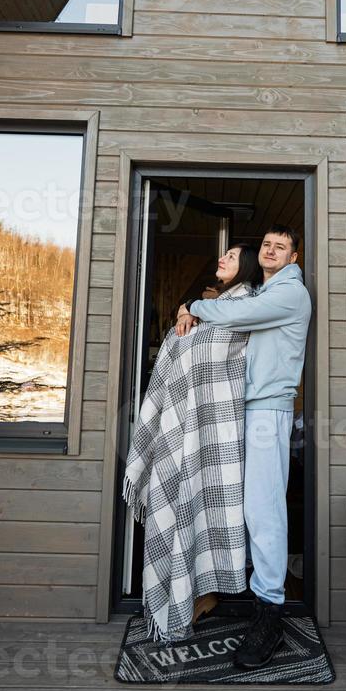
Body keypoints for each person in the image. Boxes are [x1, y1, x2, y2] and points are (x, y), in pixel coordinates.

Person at [177, 224, 311, 669]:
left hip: (267, 413)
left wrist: (197, 304)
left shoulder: (290, 294)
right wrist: (189, 306)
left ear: (293, 258)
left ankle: (270, 614)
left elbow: (232, 317)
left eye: (281, 247)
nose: (271, 251)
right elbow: (230, 310)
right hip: (243, 409)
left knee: (263, 510)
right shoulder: (259, 293)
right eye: (267, 245)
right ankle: (222, 590)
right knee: (236, 503)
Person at [120, 242, 263, 643]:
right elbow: (185, 346)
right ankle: (191, 592)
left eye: (232, 256)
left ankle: (203, 591)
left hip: (216, 427)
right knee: (185, 502)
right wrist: (187, 309)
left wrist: (192, 314)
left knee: (205, 505)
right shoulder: (208, 302)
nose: (222, 258)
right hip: (182, 425)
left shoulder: (247, 305)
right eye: (223, 254)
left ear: (246, 268)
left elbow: (217, 355)